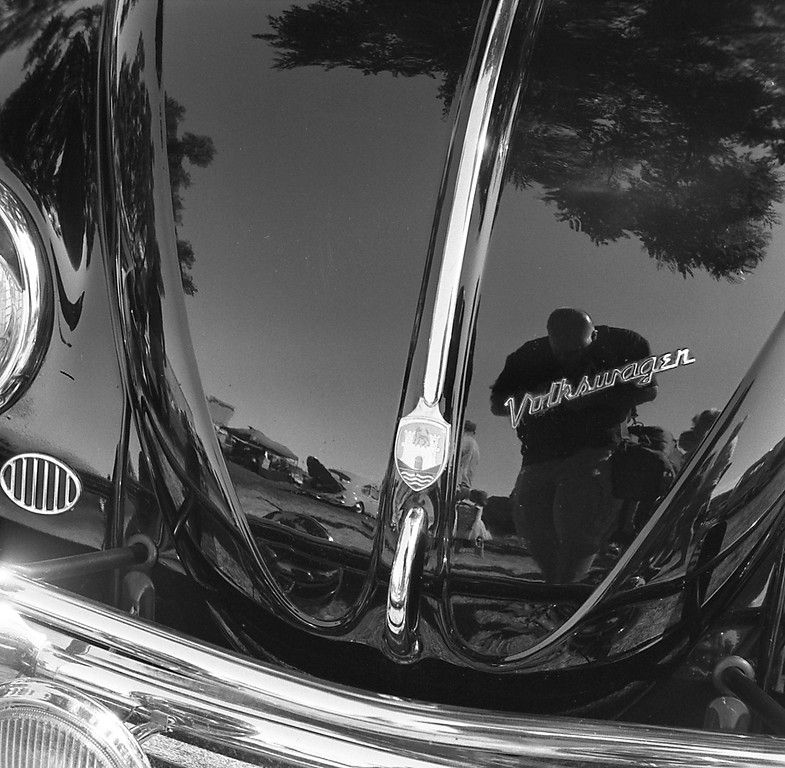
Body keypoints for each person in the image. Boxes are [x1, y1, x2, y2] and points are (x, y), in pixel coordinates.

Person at [490, 308, 658, 582]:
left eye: (577, 351)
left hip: (594, 448)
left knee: (579, 527)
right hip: (537, 455)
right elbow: (498, 405)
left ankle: (568, 593)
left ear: (594, 336)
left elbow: (649, 390)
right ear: (549, 337)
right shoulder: (527, 355)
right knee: (531, 528)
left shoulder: (623, 343)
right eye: (560, 352)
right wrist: (542, 396)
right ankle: (558, 588)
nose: (568, 359)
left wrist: (594, 397)